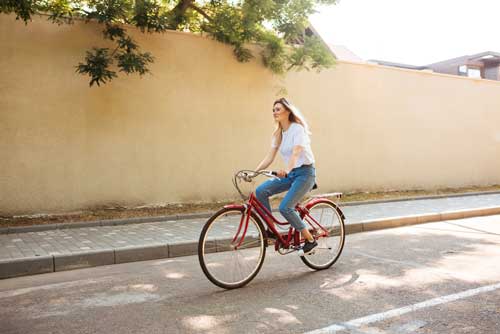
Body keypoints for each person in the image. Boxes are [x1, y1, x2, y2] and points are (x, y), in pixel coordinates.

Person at [254, 97, 318, 254]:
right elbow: (270, 156)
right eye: (273, 110)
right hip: (291, 174)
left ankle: (310, 240)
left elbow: (296, 153)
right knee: (260, 191)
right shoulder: (278, 133)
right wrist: (254, 172)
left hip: (304, 173)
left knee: (285, 207)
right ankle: (272, 231)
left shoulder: (297, 129)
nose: (274, 112)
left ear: (288, 111)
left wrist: (287, 170)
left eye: (278, 109)